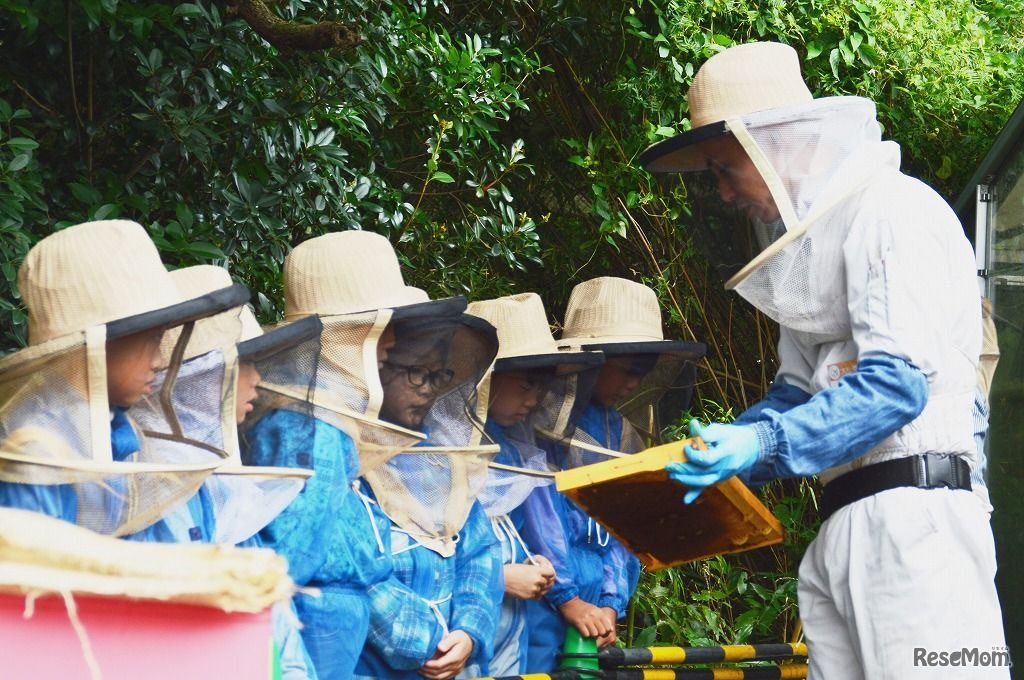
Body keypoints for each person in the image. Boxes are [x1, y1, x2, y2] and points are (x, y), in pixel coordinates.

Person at [640, 41, 1008, 679]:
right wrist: (725, 447)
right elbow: (799, 395)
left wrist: (759, 444)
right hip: (842, 524)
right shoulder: (809, 258)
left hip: (920, 525)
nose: (722, 192)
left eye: (724, 168)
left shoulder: (896, 211)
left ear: (773, 143)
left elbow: (895, 387)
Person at [242, 231, 431, 680]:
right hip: (310, 627)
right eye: (381, 326)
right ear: (346, 333)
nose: (392, 342)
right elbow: (292, 556)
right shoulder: (311, 425)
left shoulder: (320, 415)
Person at [0, 220, 242, 536]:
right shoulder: (37, 450)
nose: (159, 361)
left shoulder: (118, 431)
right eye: (152, 340)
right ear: (98, 344)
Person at [520, 276, 705, 672]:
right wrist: (568, 598)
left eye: (644, 370)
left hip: (593, 605)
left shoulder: (619, 431)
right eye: (627, 369)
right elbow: (540, 519)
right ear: (595, 361)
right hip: (540, 596)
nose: (634, 383)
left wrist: (610, 601)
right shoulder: (539, 420)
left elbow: (625, 526)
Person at [356, 296, 504, 680]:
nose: (428, 389)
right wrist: (430, 641)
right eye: (416, 372)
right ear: (375, 367)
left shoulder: (443, 459)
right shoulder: (345, 458)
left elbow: (480, 551)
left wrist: (469, 633)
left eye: (438, 376)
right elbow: (355, 571)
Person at [466, 292, 604, 675]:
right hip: (462, 629)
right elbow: (428, 554)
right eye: (525, 386)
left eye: (539, 389)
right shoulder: (441, 450)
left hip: (512, 630)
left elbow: (523, 529)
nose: (534, 400)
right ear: (487, 380)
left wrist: (535, 562)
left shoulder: (515, 450)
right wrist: (499, 577)